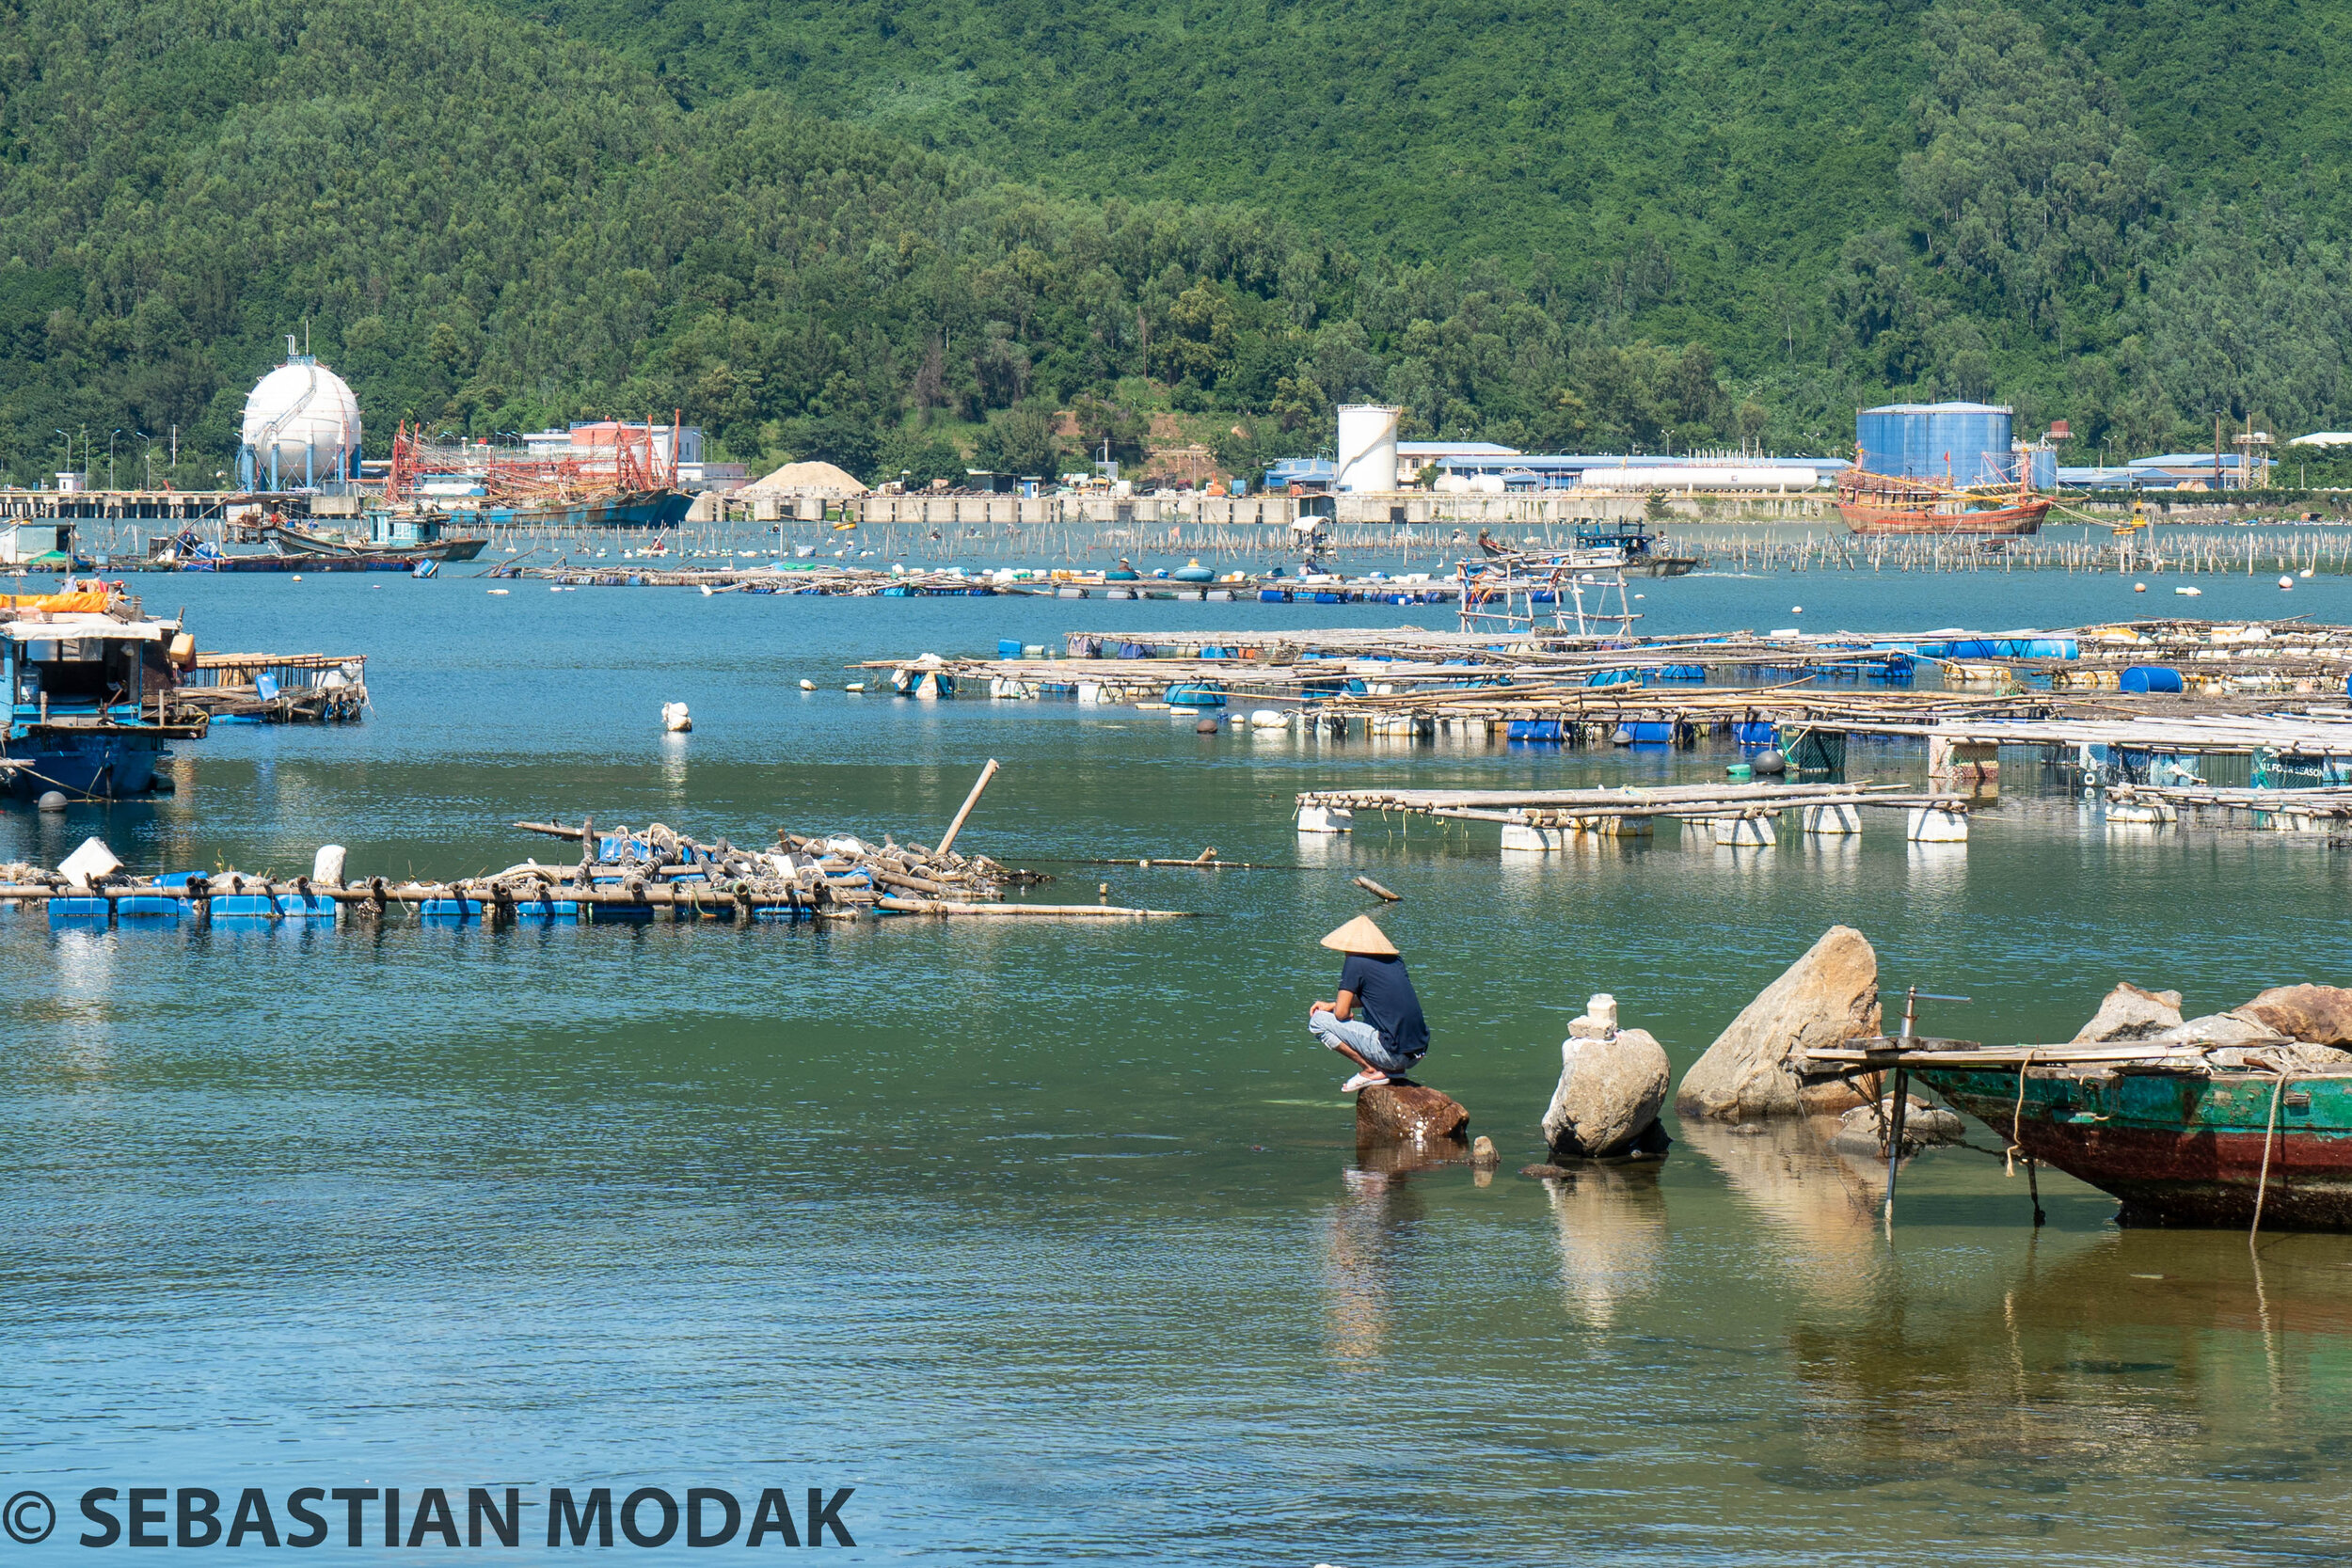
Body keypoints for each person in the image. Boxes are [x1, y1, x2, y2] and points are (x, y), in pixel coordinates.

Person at [1307, 915, 1429, 1094]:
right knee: (1369, 1012)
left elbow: (1341, 1014)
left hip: (1393, 1055)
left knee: (1317, 1022)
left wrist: (1338, 1009)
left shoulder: (1354, 963)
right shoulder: (1395, 962)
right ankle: (1392, 1070)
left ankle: (1371, 1069)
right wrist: (1332, 1005)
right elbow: (1376, 1000)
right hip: (1416, 1054)